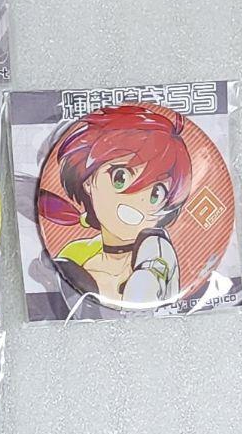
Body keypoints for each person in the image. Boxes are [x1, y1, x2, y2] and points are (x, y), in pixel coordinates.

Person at [37, 104, 192, 306]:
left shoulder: (155, 249)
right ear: (88, 181)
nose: (137, 199)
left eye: (156, 193)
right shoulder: (77, 257)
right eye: (120, 178)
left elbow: (146, 287)